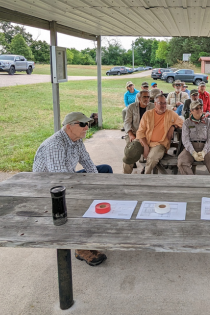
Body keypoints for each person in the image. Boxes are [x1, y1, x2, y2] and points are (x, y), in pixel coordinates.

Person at [33, 112, 113, 266]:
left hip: (67, 178)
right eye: (82, 124)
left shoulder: (77, 140)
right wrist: (87, 189)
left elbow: (88, 163)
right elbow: (61, 179)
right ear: (69, 126)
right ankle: (80, 248)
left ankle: (99, 215)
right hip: (50, 189)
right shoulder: (55, 144)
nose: (87, 127)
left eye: (87, 124)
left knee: (105, 170)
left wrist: (99, 184)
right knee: (80, 197)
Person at [130, 94, 183, 174]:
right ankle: (124, 176)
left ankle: (145, 178)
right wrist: (145, 146)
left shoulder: (171, 114)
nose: (164, 105)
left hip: (159, 144)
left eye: (165, 103)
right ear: (155, 104)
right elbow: (140, 132)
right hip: (144, 141)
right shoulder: (148, 114)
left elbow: (182, 122)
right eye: (161, 103)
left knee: (152, 158)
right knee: (130, 153)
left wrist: (173, 126)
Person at [178, 100, 210, 176]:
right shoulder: (187, 123)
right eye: (197, 108)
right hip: (191, 147)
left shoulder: (208, 122)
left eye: (201, 108)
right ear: (191, 111)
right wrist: (193, 152)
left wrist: (204, 151)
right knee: (182, 162)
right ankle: (192, 183)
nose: (200, 110)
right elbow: (185, 140)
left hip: (206, 147)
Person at [123, 89, 155, 174]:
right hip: (134, 135)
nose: (147, 99)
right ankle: (125, 177)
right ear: (139, 98)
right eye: (144, 97)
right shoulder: (131, 107)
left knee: (153, 155)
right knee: (130, 154)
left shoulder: (153, 107)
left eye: (148, 97)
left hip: (149, 136)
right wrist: (130, 134)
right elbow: (127, 122)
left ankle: (145, 170)